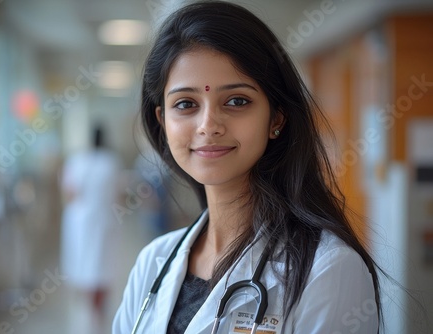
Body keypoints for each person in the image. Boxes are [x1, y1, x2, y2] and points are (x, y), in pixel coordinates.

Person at [113, 1, 381, 333]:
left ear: (276, 117)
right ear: (162, 121)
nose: (208, 125)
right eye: (186, 104)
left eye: (237, 101)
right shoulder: (152, 263)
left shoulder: (328, 269)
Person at [60, 126, 121, 330]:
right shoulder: (111, 162)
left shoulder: (77, 160)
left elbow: (70, 193)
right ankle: (98, 306)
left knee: (83, 262)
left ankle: (86, 306)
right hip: (104, 218)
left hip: (80, 220)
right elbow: (118, 194)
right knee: (101, 263)